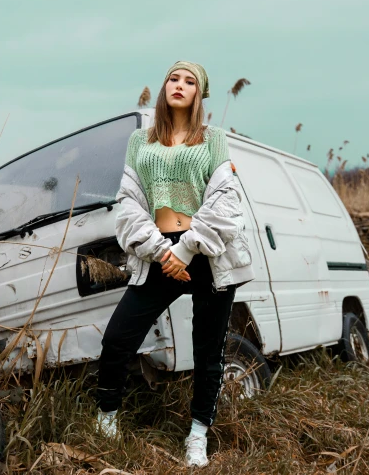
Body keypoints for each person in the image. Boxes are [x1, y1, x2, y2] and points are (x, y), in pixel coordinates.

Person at [96, 60, 255, 467]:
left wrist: (186, 249)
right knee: (117, 338)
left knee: (209, 351)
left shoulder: (213, 138)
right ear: (164, 86)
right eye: (173, 78)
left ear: (199, 94)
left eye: (190, 81)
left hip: (206, 253)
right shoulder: (140, 141)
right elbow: (129, 204)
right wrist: (162, 250)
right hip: (158, 253)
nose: (179, 85)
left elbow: (226, 202)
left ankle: (197, 436)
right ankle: (107, 418)